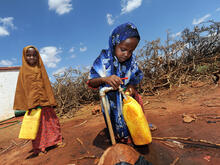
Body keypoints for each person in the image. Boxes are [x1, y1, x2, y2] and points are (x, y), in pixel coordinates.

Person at [87, 22, 144, 144]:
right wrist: (105, 79)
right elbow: (91, 81)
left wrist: (131, 87)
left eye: (131, 51)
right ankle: (119, 140)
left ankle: (135, 138)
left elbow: (136, 76)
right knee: (115, 126)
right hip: (110, 102)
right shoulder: (103, 59)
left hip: (128, 100)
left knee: (134, 125)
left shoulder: (131, 61)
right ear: (114, 43)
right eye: (123, 49)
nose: (126, 54)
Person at [13, 45, 64, 156]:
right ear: (24, 57)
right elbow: (21, 90)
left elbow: (46, 84)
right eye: (28, 55)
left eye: (34, 55)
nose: (31, 57)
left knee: (52, 123)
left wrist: (51, 100)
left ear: (38, 56)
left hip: (45, 103)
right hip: (33, 105)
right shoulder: (23, 71)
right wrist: (27, 104)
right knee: (36, 127)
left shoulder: (41, 68)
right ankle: (41, 148)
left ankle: (56, 141)